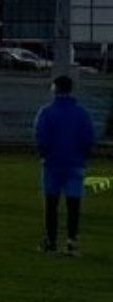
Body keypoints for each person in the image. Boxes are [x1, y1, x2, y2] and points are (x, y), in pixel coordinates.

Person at [35, 74, 94, 257]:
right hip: (75, 163)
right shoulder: (81, 113)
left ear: (55, 88)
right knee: (73, 204)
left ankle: (51, 242)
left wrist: (44, 155)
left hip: (52, 163)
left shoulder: (46, 111)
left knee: (51, 204)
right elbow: (88, 138)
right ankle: (71, 242)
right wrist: (82, 156)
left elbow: (41, 138)